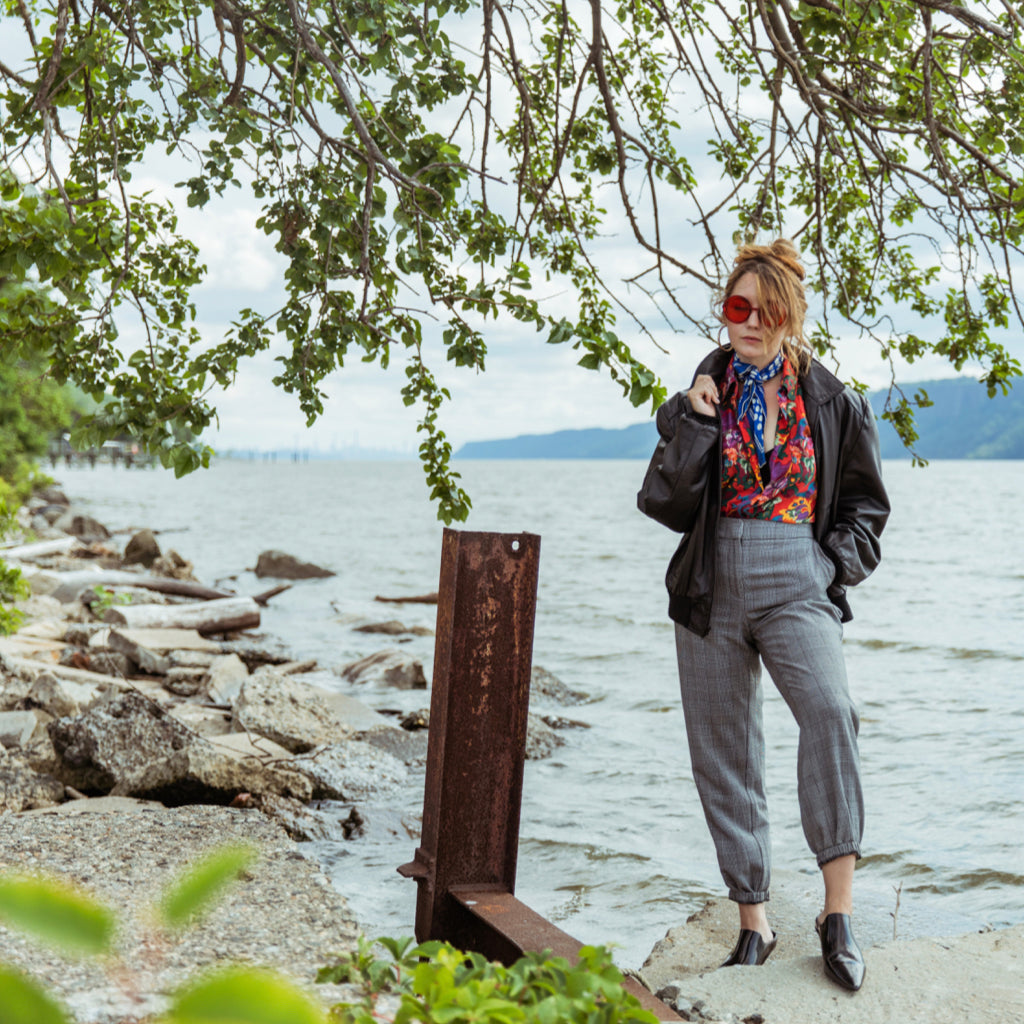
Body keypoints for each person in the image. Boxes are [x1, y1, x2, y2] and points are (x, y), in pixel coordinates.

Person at [636, 239, 890, 992]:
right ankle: (754, 922)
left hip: (796, 579)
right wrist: (694, 419)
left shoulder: (833, 402)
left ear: (789, 313)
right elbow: (664, 504)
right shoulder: (697, 397)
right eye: (735, 306)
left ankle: (836, 913)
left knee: (831, 712)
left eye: (762, 309)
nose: (746, 321)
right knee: (725, 753)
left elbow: (866, 511)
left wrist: (827, 565)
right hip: (711, 585)